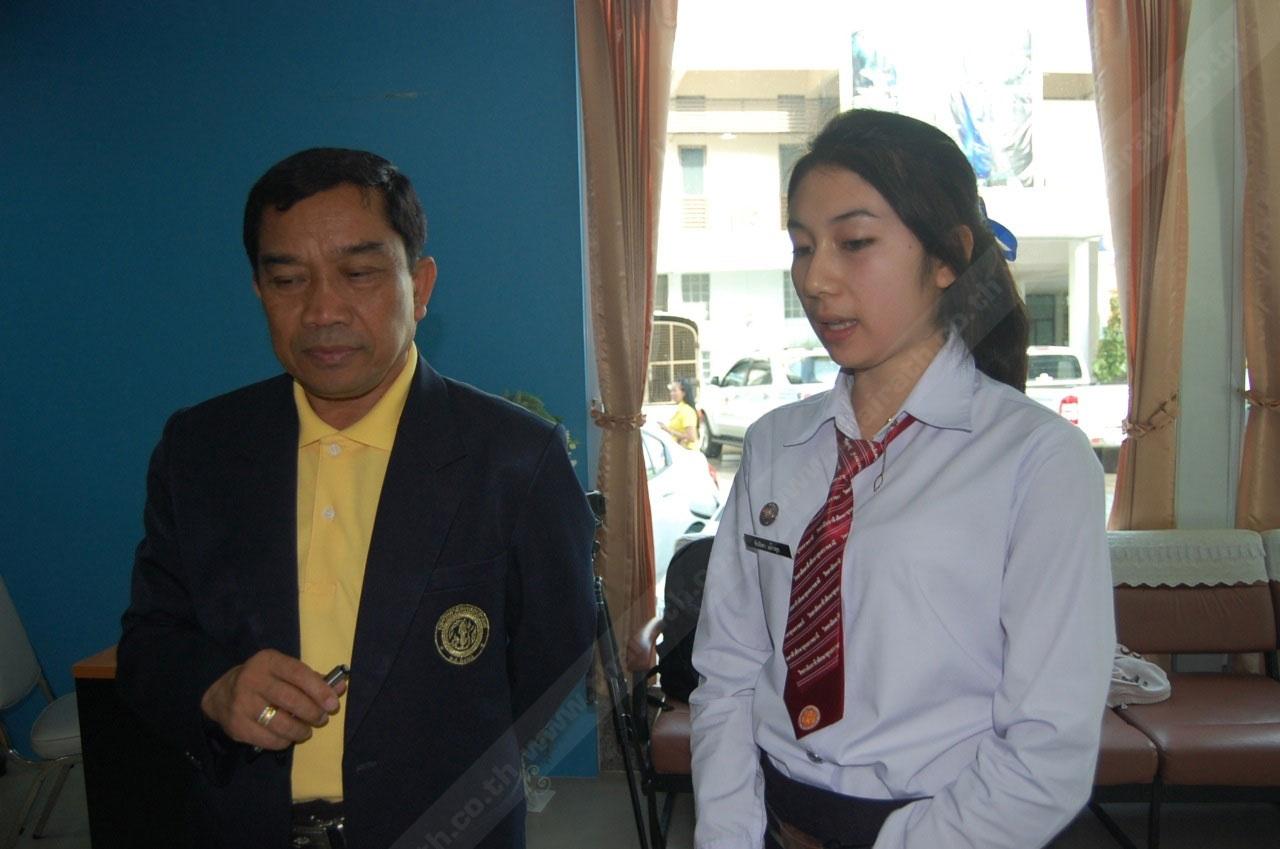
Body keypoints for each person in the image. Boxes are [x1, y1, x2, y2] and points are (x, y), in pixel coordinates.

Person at [116, 148, 596, 849]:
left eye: (359, 273)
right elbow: (151, 641)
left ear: (419, 286)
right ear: (259, 290)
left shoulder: (514, 457)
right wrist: (216, 689)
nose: (322, 311)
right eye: (288, 279)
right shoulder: (201, 450)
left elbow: (555, 660)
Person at [689, 109, 1114, 849]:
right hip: (773, 821)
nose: (815, 279)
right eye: (802, 246)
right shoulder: (774, 446)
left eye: (854, 243)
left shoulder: (1036, 460)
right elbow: (727, 671)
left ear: (949, 256)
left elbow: (1047, 746)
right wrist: (731, 835)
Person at [660, 377, 699, 449]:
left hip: (687, 452)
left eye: (674, 391)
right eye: (671, 391)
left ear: (683, 393)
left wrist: (668, 430)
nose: (672, 393)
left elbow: (692, 437)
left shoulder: (687, 410)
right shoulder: (680, 409)